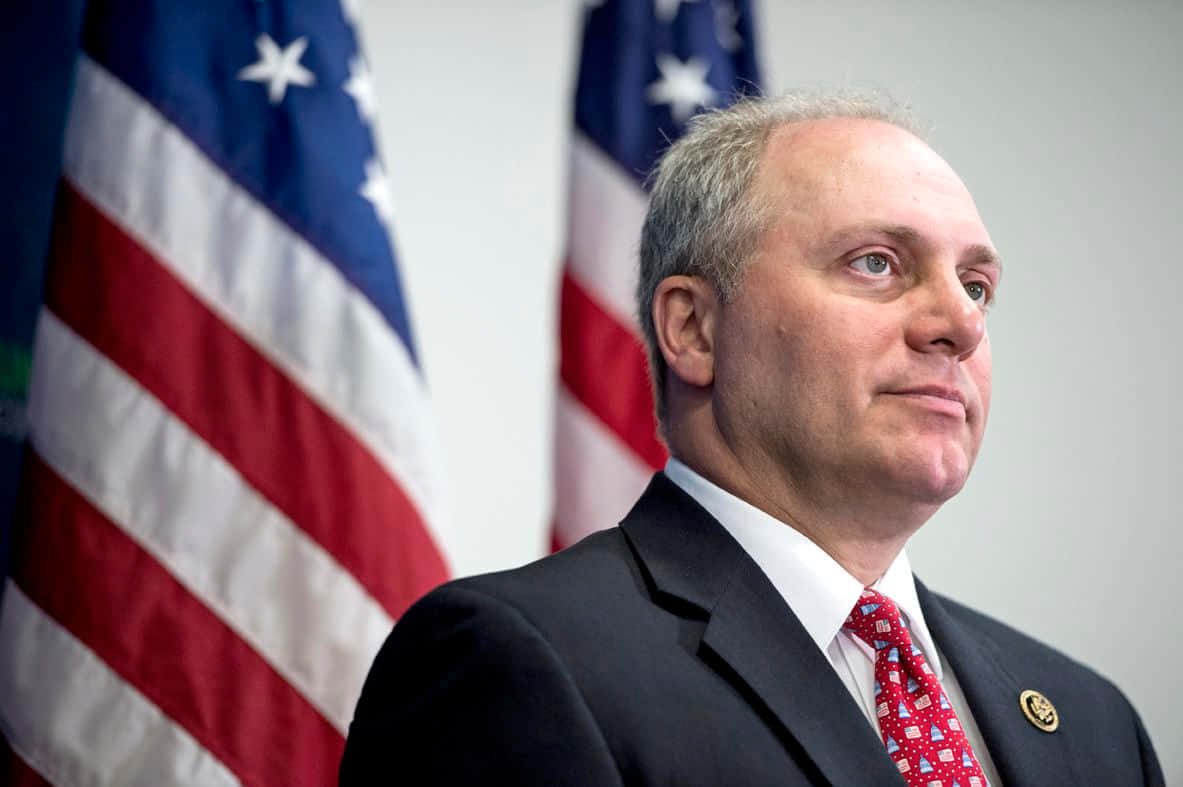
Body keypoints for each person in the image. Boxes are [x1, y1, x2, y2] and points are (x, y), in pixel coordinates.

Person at [340, 92, 1164, 786]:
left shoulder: (1091, 720)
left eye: (976, 285)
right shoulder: (515, 663)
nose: (958, 324)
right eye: (876, 262)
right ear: (694, 329)